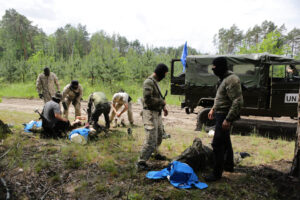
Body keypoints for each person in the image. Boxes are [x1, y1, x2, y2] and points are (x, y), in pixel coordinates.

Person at [204, 57, 243, 182]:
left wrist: (228, 119)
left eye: (214, 67)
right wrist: (213, 109)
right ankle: (229, 166)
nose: (213, 70)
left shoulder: (232, 79)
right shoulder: (223, 79)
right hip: (220, 114)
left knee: (217, 143)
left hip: (225, 115)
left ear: (221, 67)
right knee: (226, 141)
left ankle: (216, 174)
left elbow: (238, 101)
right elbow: (220, 97)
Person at [136, 63, 169, 171]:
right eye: (164, 74)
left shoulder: (155, 82)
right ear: (160, 73)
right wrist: (161, 101)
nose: (165, 76)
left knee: (159, 135)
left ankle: (155, 153)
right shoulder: (148, 82)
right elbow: (148, 100)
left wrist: (163, 107)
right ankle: (141, 161)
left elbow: (158, 96)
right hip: (149, 114)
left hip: (157, 113)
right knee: (151, 138)